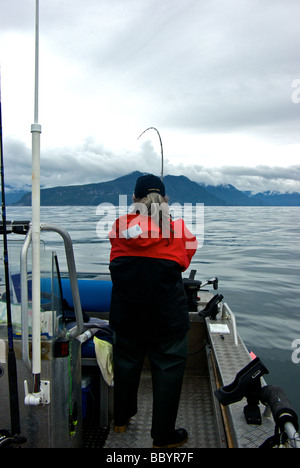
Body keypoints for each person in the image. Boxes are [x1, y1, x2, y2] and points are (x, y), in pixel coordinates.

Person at [108, 174, 198, 448]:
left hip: (127, 315)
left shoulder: (118, 227)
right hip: (166, 319)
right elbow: (186, 259)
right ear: (166, 200)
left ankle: (121, 420)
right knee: (168, 371)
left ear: (135, 199)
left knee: (125, 365)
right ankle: (162, 436)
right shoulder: (181, 230)